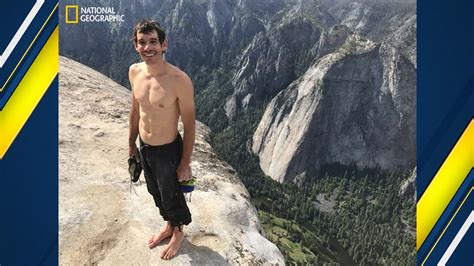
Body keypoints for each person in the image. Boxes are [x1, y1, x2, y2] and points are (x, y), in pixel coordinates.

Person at [128, 19, 195, 260]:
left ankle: (178, 233)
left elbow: (189, 124)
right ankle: (168, 225)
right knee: (155, 191)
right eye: (142, 42)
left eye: (153, 42)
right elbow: (135, 111)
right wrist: (131, 145)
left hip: (168, 149)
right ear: (136, 46)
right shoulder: (134, 72)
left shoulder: (179, 80)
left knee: (172, 194)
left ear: (164, 44)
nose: (148, 48)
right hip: (146, 148)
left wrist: (185, 162)